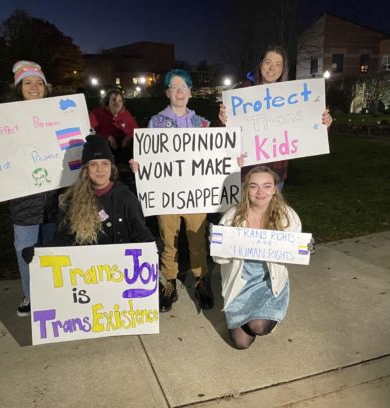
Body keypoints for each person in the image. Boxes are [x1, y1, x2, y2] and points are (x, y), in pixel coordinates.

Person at [130, 69, 213, 313]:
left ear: (190, 92)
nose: (179, 91)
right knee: (169, 241)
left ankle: (201, 280)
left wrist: (231, 161)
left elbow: (214, 156)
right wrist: (139, 165)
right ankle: (170, 281)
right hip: (166, 195)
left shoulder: (202, 124)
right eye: (174, 87)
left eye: (183, 86)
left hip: (195, 194)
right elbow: (149, 156)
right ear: (167, 92)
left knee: (197, 239)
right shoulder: (156, 122)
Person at [217, 45, 333, 190]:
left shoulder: (293, 95)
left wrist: (324, 125)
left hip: (275, 173)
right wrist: (223, 121)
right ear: (260, 64)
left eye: (278, 64)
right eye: (268, 62)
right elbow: (224, 134)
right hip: (245, 171)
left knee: (270, 213)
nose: (272, 68)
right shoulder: (241, 91)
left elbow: (307, 129)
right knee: (241, 213)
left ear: (283, 69)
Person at [213, 166, 303, 350]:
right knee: (241, 343)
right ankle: (247, 313)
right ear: (246, 190)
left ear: (274, 189)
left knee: (258, 327)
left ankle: (268, 316)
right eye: (254, 186)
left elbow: (295, 250)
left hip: (270, 282)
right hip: (241, 283)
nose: (260, 192)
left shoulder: (287, 216)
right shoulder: (232, 217)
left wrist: (305, 248)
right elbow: (219, 258)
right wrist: (220, 244)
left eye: (266, 186)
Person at [22, 134, 157, 252]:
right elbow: (63, 239)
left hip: (121, 271)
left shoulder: (126, 198)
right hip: (88, 275)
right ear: (86, 169)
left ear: (112, 168)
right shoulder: (71, 200)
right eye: (93, 164)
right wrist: (39, 251)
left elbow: (139, 231)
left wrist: (153, 244)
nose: (100, 170)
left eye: (105, 163)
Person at [8, 61, 60, 317]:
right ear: (18, 88)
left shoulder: (57, 115)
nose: (34, 87)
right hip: (23, 199)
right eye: (27, 83)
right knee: (25, 249)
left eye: (39, 83)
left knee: (52, 248)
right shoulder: (5, 120)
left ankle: (51, 293)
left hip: (54, 197)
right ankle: (30, 295)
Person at [89, 89, 138, 165]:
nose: (117, 103)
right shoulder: (96, 114)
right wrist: (107, 137)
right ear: (107, 102)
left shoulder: (126, 114)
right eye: (113, 100)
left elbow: (136, 130)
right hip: (105, 148)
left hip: (124, 147)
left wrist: (129, 137)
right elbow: (90, 132)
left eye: (119, 101)